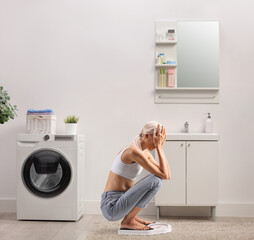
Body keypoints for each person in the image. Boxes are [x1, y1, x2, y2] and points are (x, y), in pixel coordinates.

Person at [100, 121, 171, 230]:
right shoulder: (133, 152)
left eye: (161, 138)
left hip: (122, 202)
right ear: (147, 136)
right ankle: (128, 221)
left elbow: (166, 174)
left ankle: (131, 217)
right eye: (157, 137)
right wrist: (159, 148)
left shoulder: (144, 152)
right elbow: (164, 175)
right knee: (156, 181)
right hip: (111, 207)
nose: (159, 140)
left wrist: (160, 146)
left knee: (158, 179)